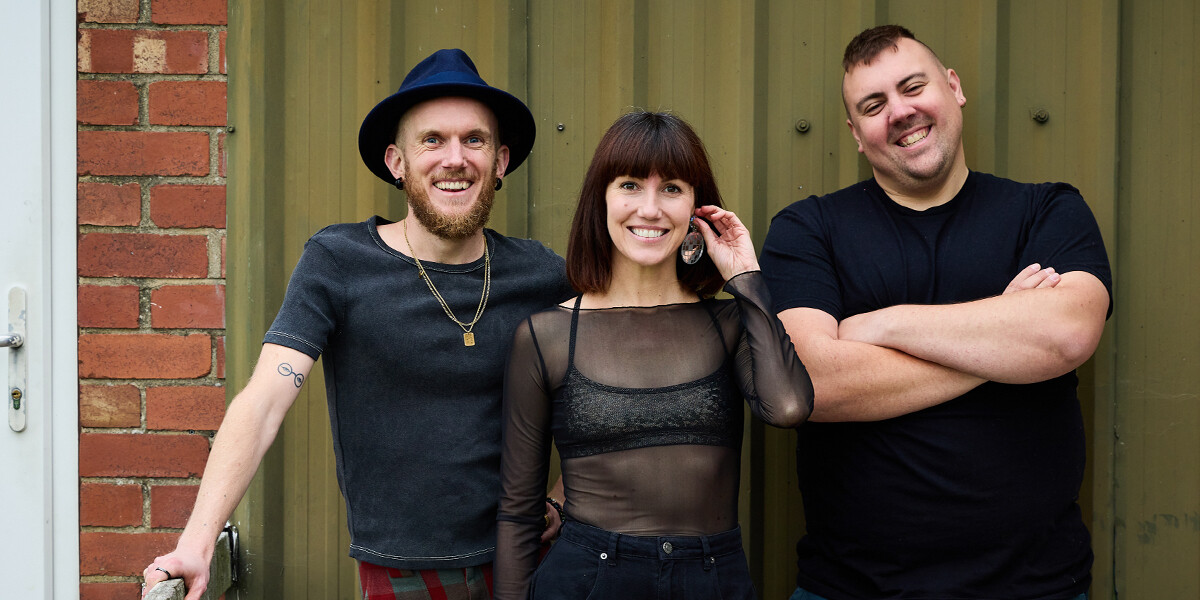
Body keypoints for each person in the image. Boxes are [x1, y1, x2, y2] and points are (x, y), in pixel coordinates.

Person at [141, 49, 573, 600]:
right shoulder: (339, 261)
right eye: (432, 140)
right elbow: (266, 398)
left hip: (527, 561)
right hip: (402, 572)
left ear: (502, 159)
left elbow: (624, 378)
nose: (455, 158)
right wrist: (196, 544)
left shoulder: (541, 273)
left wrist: (562, 497)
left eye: (475, 140)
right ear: (397, 162)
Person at [759, 25, 1112, 600]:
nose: (899, 112)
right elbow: (810, 382)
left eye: (912, 86)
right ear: (855, 133)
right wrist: (1006, 335)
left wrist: (881, 325)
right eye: (873, 106)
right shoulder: (809, 229)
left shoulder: (1046, 210)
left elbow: (1067, 334)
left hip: (1037, 586)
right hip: (853, 588)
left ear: (953, 87)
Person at [494, 111, 814, 600]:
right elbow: (519, 512)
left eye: (671, 188)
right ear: (601, 200)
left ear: (695, 207)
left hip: (714, 580)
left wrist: (745, 276)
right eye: (628, 185)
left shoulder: (728, 323)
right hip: (587, 579)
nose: (649, 208)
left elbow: (789, 406)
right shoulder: (547, 336)